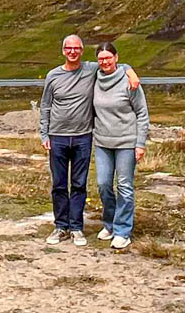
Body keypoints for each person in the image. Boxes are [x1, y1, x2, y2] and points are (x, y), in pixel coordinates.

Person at [39, 35, 137, 246]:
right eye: (68, 48)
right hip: (57, 136)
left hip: (83, 136)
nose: (72, 51)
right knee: (58, 184)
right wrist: (44, 134)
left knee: (79, 184)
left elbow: (113, 63)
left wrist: (130, 71)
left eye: (76, 48)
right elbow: (45, 105)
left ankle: (76, 228)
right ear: (63, 50)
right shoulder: (53, 75)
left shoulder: (90, 69)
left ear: (81, 51)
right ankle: (61, 226)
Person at [91, 41, 149, 251]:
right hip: (102, 142)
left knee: (124, 186)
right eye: (101, 59)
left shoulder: (129, 82)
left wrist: (140, 144)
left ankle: (123, 231)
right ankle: (109, 223)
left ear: (116, 58)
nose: (105, 62)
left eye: (109, 58)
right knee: (103, 184)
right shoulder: (94, 77)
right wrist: (127, 67)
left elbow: (142, 113)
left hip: (126, 142)